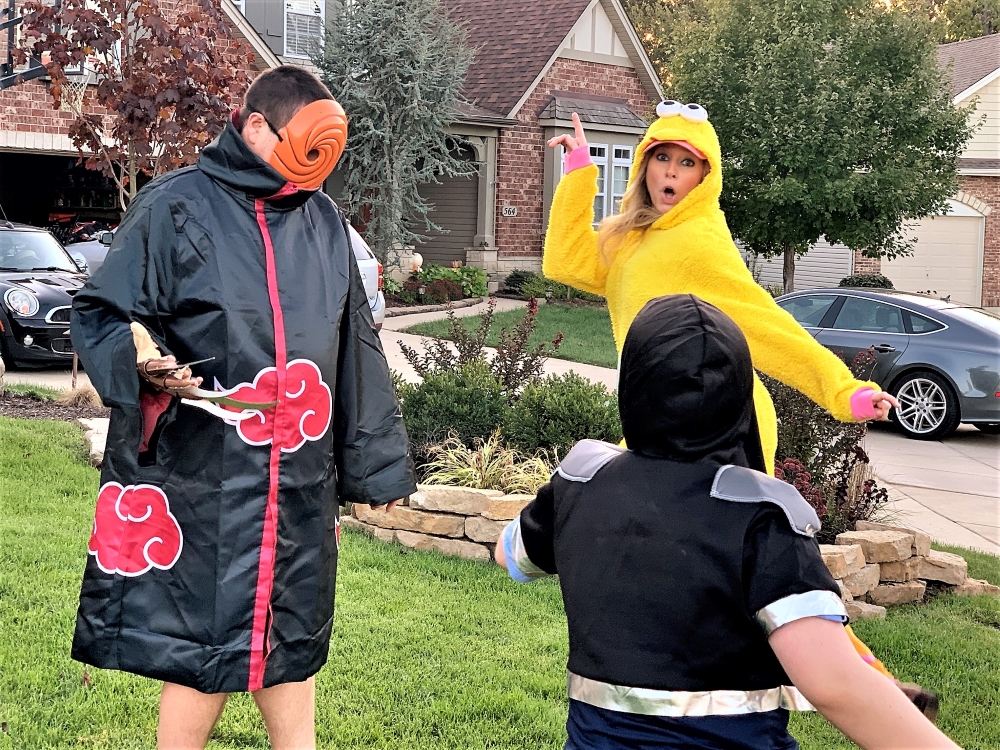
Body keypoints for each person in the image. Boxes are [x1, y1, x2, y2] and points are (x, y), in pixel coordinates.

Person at [70, 65, 416, 750]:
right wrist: (142, 358)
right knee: (204, 651)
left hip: (296, 485)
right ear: (256, 126)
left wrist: (374, 469)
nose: (315, 165)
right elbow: (103, 311)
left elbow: (354, 348)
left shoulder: (322, 221)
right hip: (203, 481)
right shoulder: (174, 206)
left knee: (287, 639)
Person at [495, 294, 960, 750]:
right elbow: (833, 684)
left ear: (634, 385)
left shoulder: (580, 481)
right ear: (738, 394)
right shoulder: (763, 516)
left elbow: (509, 552)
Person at [543, 105, 899, 478]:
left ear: (705, 175)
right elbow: (566, 262)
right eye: (662, 157)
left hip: (717, 424)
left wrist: (845, 392)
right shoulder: (633, 236)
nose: (670, 171)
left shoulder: (700, 239)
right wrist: (580, 170)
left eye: (686, 163)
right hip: (660, 416)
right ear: (644, 163)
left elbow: (764, 323)